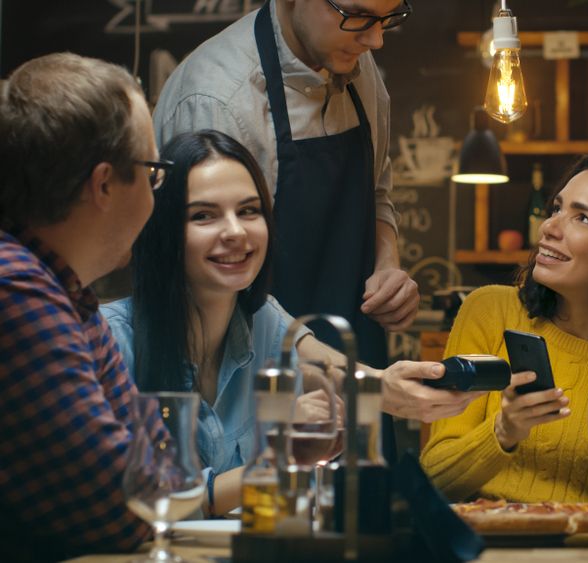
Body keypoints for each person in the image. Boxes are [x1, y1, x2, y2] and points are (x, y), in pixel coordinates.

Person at [154, 0, 417, 370]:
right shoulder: (217, 100)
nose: (376, 40)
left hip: (356, 356)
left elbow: (377, 192)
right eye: (357, 16)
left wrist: (387, 264)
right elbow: (207, 284)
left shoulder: (355, 59)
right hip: (251, 374)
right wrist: (340, 375)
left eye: (387, 18)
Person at [421, 154, 588, 502]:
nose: (550, 227)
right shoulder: (491, 311)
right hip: (482, 546)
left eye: (582, 218)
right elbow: (434, 479)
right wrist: (504, 430)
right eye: (557, 208)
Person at [102, 130, 330, 517]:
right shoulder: (111, 338)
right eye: (203, 216)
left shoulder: (269, 331)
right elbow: (130, 504)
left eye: (248, 210)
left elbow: (283, 504)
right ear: (163, 232)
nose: (236, 232)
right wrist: (272, 459)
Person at [0, 53, 163, 559]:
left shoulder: (65, 288)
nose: (159, 191)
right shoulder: (16, 285)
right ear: (105, 185)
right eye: (153, 172)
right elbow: (124, 509)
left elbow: (164, 466)